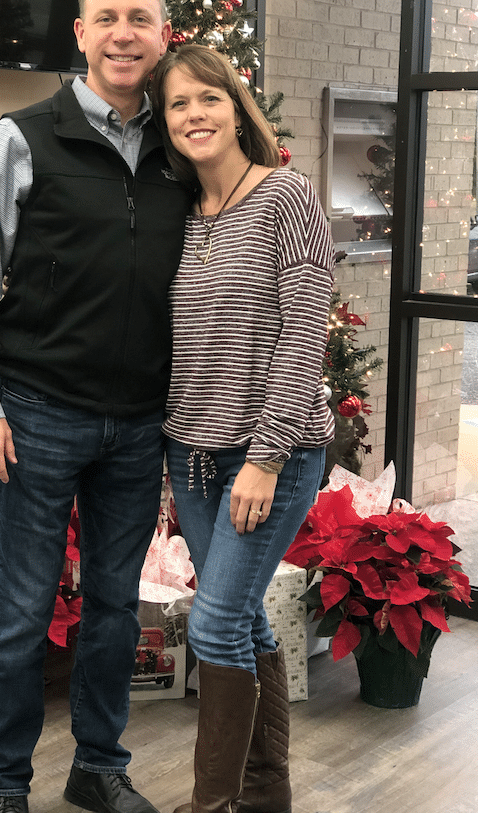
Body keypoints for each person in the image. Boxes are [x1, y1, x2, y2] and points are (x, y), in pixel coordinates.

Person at [0, 0, 190, 813]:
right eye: (107, 19)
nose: (124, 34)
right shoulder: (22, 137)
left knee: (117, 610)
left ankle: (98, 768)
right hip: (35, 418)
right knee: (19, 615)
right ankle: (6, 787)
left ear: (163, 35)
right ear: (81, 34)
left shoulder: (181, 147)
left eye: (141, 19)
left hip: (138, 426)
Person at [150, 44, 335, 813]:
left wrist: (265, 457)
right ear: (165, 122)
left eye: (209, 98)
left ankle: (212, 806)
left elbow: (304, 333)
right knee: (244, 619)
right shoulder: (177, 214)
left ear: (236, 107)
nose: (195, 114)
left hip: (272, 456)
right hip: (191, 457)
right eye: (178, 104)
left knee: (216, 623)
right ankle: (264, 795)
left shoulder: (286, 195)